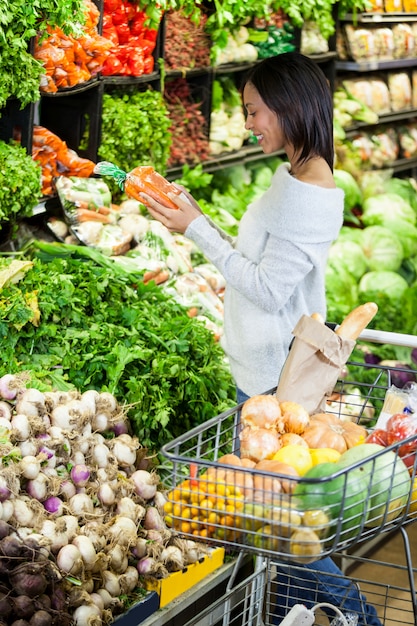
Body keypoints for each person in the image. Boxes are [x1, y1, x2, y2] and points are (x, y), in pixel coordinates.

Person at [141, 52, 381, 626]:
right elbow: (259, 260)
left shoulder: (312, 192)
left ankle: (360, 618)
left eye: (254, 112)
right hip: (258, 371)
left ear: (289, 106)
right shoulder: (294, 173)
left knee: (277, 530)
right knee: (266, 529)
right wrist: (199, 215)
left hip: (274, 381)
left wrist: (196, 231)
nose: (249, 124)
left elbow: (270, 292)